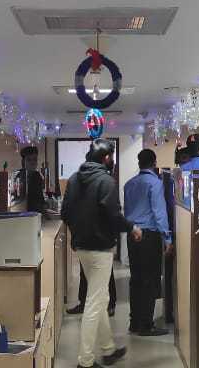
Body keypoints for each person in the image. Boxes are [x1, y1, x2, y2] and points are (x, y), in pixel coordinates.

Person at [61, 139, 140, 368]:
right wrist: (132, 228)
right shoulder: (106, 181)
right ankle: (85, 361)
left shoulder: (74, 179)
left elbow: (65, 213)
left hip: (81, 248)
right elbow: (113, 215)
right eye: (111, 157)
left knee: (101, 297)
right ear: (106, 158)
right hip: (100, 250)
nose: (113, 161)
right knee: (94, 302)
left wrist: (77, 233)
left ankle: (108, 349)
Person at [122, 149, 171, 335]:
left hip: (132, 235)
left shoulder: (129, 184)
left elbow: (128, 211)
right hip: (149, 236)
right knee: (149, 280)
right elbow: (159, 213)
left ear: (139, 163)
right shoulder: (155, 183)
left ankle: (134, 322)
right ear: (154, 163)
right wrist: (167, 238)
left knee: (135, 279)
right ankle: (146, 325)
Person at [17, 146, 46, 213]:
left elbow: (40, 198)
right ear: (23, 162)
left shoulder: (37, 175)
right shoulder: (19, 176)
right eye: (29, 160)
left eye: (35, 159)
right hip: (23, 213)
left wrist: (45, 205)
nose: (32, 162)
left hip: (36, 213)